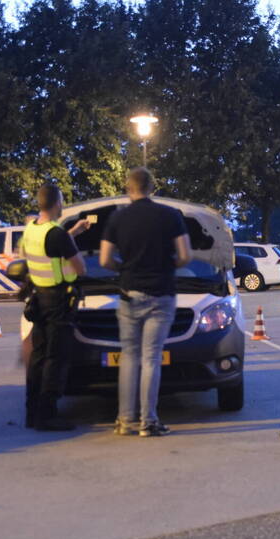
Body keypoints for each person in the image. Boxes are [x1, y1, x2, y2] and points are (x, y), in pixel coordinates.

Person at [99, 168, 191, 437]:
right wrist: (166, 266)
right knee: (151, 358)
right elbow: (185, 255)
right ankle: (148, 422)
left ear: (129, 188)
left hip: (129, 294)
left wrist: (124, 268)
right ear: (152, 187)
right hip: (161, 294)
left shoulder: (117, 218)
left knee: (129, 357)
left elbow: (105, 260)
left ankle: (125, 421)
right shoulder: (170, 216)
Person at [23, 184, 89, 431]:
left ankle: (32, 412)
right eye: (61, 201)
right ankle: (48, 415)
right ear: (56, 203)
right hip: (58, 302)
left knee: (39, 357)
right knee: (56, 358)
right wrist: (70, 238)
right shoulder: (57, 234)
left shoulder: (32, 230)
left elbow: (50, 248)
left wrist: (73, 232)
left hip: (39, 298)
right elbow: (81, 267)